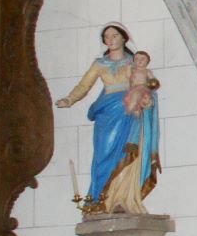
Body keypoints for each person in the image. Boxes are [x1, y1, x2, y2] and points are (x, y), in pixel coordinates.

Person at [56, 23, 161, 213]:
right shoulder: (100, 64)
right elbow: (84, 85)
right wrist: (69, 99)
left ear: (124, 38)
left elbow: (148, 85)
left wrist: (147, 99)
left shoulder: (134, 62)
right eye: (106, 37)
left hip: (129, 112)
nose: (110, 40)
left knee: (126, 152)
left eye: (114, 36)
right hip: (106, 114)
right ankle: (100, 199)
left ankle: (121, 198)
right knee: (102, 155)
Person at [122, 50, 158, 116]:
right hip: (133, 89)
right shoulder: (133, 70)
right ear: (134, 61)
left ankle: (130, 109)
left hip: (143, 88)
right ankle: (136, 108)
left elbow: (153, 80)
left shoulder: (147, 71)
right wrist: (128, 68)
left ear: (147, 62)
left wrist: (154, 84)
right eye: (137, 59)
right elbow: (128, 77)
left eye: (142, 59)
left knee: (136, 95)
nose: (140, 60)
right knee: (127, 98)